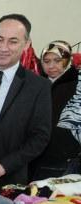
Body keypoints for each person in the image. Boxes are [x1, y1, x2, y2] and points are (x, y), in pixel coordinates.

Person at [0, 14, 51, 190]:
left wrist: (5, 164)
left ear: (26, 44)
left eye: (13, 41)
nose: (3, 48)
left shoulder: (38, 86)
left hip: (7, 181)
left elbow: (40, 137)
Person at [30, 41, 80, 179]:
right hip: (38, 154)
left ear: (67, 60)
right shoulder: (38, 84)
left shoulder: (76, 85)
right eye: (46, 61)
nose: (51, 66)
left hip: (66, 157)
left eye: (57, 60)